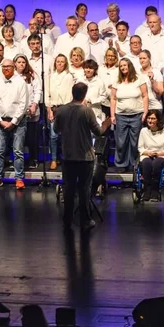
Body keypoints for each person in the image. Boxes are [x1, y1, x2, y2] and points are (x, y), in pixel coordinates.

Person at [54, 82, 107, 230]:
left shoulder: (61, 110)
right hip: (85, 158)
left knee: (69, 189)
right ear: (84, 94)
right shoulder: (86, 111)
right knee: (84, 190)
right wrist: (106, 124)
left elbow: (56, 129)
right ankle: (85, 221)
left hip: (68, 156)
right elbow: (98, 132)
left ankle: (67, 220)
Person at [0, 59, 29, 190]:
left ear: (14, 67)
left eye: (8, 67)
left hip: (18, 122)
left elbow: (23, 104)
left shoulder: (21, 82)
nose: (5, 69)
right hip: (2, 121)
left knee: (18, 151)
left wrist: (14, 121)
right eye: (3, 67)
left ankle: (19, 178)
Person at [111, 59, 148, 172]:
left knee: (135, 141)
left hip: (137, 114)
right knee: (121, 142)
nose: (123, 68)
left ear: (130, 66)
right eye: (121, 66)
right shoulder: (117, 82)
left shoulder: (139, 79)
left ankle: (134, 164)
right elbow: (113, 98)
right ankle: (121, 164)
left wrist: (145, 112)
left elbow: (145, 95)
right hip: (121, 115)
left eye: (125, 65)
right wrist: (112, 115)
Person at [46, 54, 75, 170]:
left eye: (62, 61)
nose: (60, 63)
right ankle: (54, 159)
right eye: (58, 61)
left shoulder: (69, 76)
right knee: (53, 136)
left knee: (66, 136)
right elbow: (47, 94)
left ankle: (66, 158)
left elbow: (71, 95)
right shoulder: (50, 76)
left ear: (65, 63)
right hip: (54, 108)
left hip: (65, 108)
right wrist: (49, 109)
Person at [137, 109, 164, 202]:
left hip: (162, 155)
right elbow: (140, 148)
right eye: (148, 118)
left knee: (156, 164)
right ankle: (147, 190)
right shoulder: (143, 131)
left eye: (153, 118)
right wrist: (148, 153)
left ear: (158, 120)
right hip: (147, 155)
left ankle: (155, 191)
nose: (150, 120)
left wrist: (158, 154)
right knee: (146, 164)